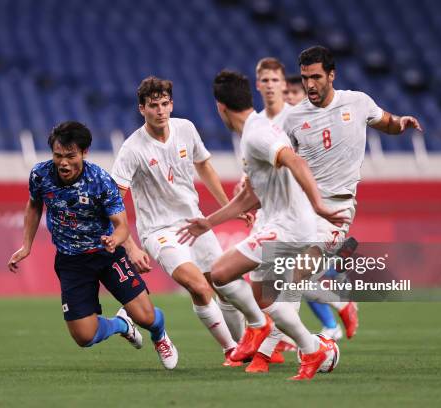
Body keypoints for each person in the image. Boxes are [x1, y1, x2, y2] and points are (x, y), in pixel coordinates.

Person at [178, 70, 349, 381]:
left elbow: (296, 161)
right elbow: (251, 196)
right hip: (277, 223)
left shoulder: (258, 135)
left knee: (220, 272)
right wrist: (209, 223)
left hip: (289, 226)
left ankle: (262, 330)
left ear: (220, 108)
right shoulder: (253, 133)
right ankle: (314, 350)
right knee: (270, 302)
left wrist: (318, 205)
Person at [7, 121, 178, 370]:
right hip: (71, 261)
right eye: (58, 156)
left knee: (147, 317)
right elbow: (34, 205)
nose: (63, 162)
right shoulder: (40, 174)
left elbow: (121, 225)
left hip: (107, 254)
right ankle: (122, 325)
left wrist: (117, 240)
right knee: (84, 337)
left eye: (70, 156)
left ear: (84, 152)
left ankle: (159, 335)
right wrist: (26, 245)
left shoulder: (100, 180)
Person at [283, 45, 423, 336]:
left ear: (332, 75)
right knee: (283, 280)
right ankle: (335, 305)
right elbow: (284, 162)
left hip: (336, 208)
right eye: (305, 77)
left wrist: (401, 123)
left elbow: (387, 123)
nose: (309, 84)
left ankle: (312, 341)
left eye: (316, 77)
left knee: (296, 275)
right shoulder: (293, 119)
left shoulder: (357, 102)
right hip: (301, 208)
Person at [110, 77, 248, 366]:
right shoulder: (132, 148)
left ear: (171, 104)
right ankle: (230, 350)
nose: (160, 110)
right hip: (159, 232)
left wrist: (229, 206)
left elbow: (205, 166)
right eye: (152, 105)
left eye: (164, 104)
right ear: (141, 109)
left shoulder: (186, 129)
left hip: (194, 224)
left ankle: (247, 347)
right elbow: (113, 202)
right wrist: (132, 247)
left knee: (222, 285)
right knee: (199, 287)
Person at [246, 58, 347, 374]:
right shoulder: (257, 123)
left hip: (305, 213)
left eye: (281, 83)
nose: (275, 88)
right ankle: (338, 310)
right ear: (259, 83)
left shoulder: (304, 120)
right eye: (267, 80)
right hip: (276, 214)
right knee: (277, 287)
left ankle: (271, 351)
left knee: (286, 284)